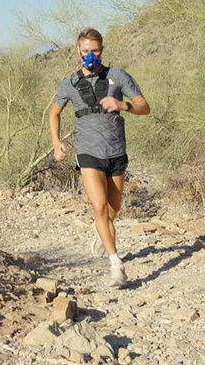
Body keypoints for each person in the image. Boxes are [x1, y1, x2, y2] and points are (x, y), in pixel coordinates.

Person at [49, 27, 150, 288]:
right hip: (88, 151)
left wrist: (123, 105)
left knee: (113, 209)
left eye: (94, 51)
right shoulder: (69, 83)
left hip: (116, 151)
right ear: (78, 52)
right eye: (85, 51)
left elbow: (144, 106)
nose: (89, 55)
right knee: (99, 207)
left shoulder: (117, 76)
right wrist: (57, 142)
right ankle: (116, 265)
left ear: (101, 51)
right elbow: (54, 113)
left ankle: (100, 230)